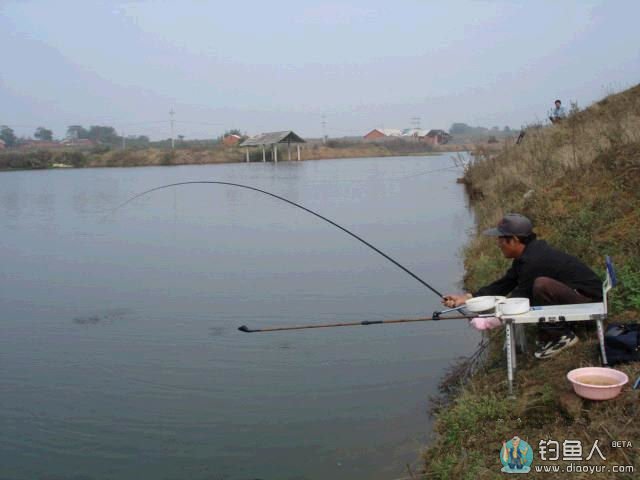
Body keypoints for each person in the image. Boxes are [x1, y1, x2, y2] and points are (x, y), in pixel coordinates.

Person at [443, 213, 602, 359]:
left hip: (589, 303)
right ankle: (553, 332)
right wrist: (467, 298)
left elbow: (521, 297)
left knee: (541, 285)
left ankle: (562, 336)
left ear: (514, 240)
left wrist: (491, 320)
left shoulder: (534, 261)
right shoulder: (528, 255)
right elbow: (506, 283)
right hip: (575, 297)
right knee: (539, 286)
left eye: (501, 239)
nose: (498, 244)